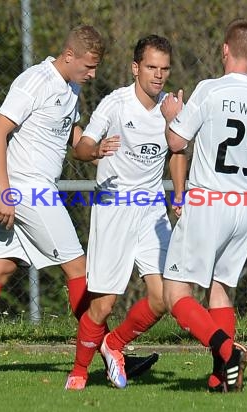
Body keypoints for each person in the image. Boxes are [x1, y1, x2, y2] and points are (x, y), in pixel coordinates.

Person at [0, 25, 108, 379]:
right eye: (88, 66)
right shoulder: (34, 81)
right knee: (78, 268)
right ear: (69, 55)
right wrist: (5, 192)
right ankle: (112, 354)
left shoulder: (72, 88)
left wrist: (102, 153)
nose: (92, 74)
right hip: (29, 191)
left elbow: (76, 141)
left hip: (35, 190)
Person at [160, 19, 247, 392]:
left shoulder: (210, 90)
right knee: (220, 291)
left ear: (225, 49)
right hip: (244, 205)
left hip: (208, 201)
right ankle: (219, 380)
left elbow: (177, 141)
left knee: (175, 294)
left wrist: (171, 117)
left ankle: (228, 351)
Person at [64, 34, 187, 390]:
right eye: (151, 67)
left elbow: (178, 152)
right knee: (102, 305)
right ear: (136, 68)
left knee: (164, 297)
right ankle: (79, 372)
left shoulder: (171, 107)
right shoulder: (115, 104)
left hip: (152, 211)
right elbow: (82, 147)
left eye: (164, 69)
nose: (159, 75)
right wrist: (96, 150)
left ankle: (114, 345)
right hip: (114, 208)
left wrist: (178, 194)